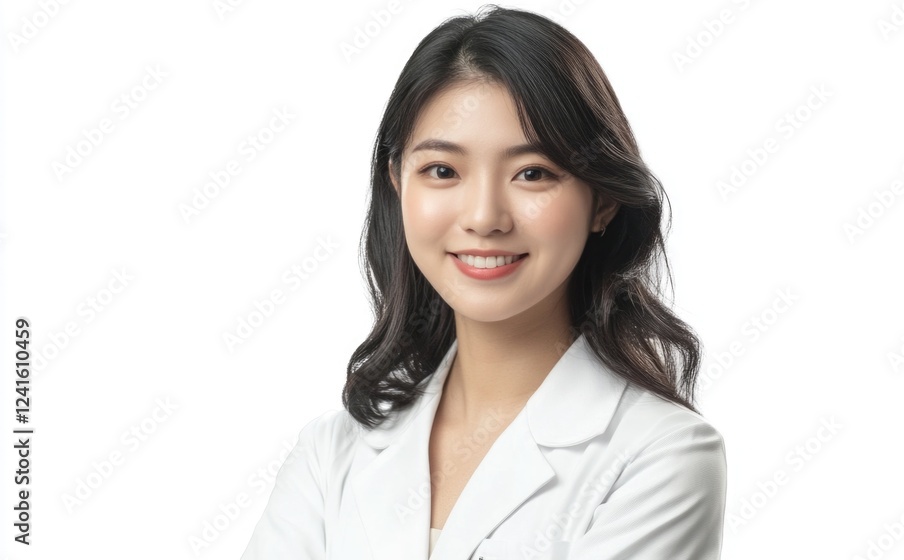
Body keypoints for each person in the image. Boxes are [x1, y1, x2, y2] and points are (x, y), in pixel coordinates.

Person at [241, 5, 726, 559]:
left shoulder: (662, 457)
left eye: (533, 173)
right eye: (442, 171)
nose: (484, 216)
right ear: (398, 183)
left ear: (604, 200)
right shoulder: (331, 454)